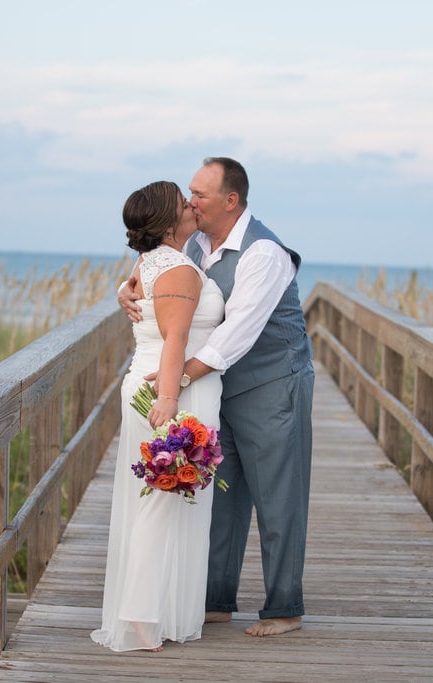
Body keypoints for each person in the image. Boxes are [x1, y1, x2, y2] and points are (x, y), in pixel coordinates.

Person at [119, 157, 314, 637]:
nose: (190, 202)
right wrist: (125, 290)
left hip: (272, 384)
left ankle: (284, 608)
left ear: (231, 200)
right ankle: (216, 600)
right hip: (218, 386)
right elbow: (162, 276)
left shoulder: (263, 253)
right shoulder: (199, 242)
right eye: (189, 193)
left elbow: (238, 335)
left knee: (277, 494)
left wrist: (176, 380)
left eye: (199, 195)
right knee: (220, 494)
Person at [91, 180, 225, 652]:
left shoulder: (151, 261)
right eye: (183, 203)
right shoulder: (178, 269)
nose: (192, 206)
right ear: (170, 223)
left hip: (157, 384)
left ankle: (155, 608)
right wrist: (169, 401)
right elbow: (174, 339)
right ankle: (143, 616)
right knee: (163, 498)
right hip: (166, 393)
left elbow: (144, 296)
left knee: (162, 497)